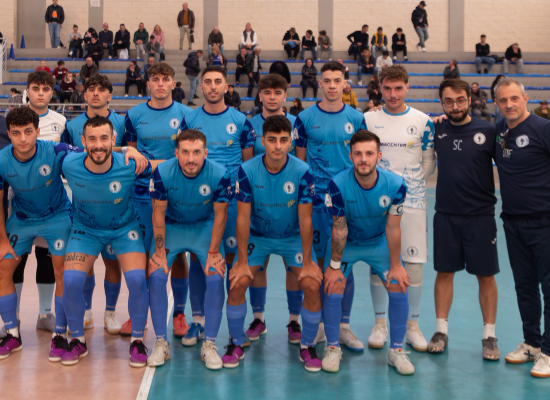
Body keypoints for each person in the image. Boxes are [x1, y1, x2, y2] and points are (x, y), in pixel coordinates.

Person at [225, 115, 322, 371]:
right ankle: (236, 342)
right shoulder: (247, 170)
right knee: (236, 282)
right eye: (271, 140)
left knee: (312, 285)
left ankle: (308, 344)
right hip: (259, 236)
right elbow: (243, 217)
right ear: (262, 141)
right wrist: (241, 261)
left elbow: (306, 219)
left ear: (291, 142)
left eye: (283, 140)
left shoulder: (303, 171)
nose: (277, 146)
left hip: (292, 238)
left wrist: (308, 261)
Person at [60, 116, 151, 367]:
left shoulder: (131, 164)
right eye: (92, 139)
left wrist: (129, 150)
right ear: (83, 141)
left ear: (113, 139)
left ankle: (137, 341)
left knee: (137, 279)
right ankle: (77, 340)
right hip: (86, 230)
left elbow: (160, 179)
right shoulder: (68, 163)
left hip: (124, 229)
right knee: (71, 281)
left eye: (104, 138)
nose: (98, 145)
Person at [323, 130, 413, 374]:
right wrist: (334, 267)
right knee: (332, 285)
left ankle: (396, 351)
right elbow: (339, 228)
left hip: (377, 242)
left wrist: (396, 266)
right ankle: (332, 347)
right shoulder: (337, 185)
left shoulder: (396, 185)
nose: (364, 159)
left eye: (370, 154)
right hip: (348, 243)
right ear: (350, 156)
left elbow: (393, 228)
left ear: (379, 156)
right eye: (358, 154)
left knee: (398, 284)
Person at [179, 66, 256, 352]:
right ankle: (198, 321)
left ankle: (235, 327)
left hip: (233, 204)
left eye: (218, 82)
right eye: (207, 82)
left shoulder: (241, 121)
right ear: (200, 87)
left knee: (234, 262)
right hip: (199, 204)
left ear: (226, 86)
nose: (212, 86)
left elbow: (247, 165)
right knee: (200, 259)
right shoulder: (189, 119)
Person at [295, 61, 367, 353]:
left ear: (345, 83)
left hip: (346, 202)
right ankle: (322, 326)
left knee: (343, 266)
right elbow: (300, 164)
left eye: (338, 80)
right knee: (315, 264)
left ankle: (343, 326)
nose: (333, 86)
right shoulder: (304, 118)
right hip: (315, 204)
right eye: (327, 81)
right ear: (320, 83)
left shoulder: (357, 118)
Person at [363, 65, 435, 354]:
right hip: (376, 206)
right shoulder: (368, 119)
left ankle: (412, 326)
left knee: (413, 265)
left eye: (398, 88)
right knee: (378, 263)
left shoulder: (423, 121)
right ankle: (380, 324)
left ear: (407, 87)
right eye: (387, 88)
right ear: (380, 88)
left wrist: (411, 189)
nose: (392, 94)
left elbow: (428, 162)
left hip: (413, 205)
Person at [428, 79, 500, 361]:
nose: (455, 106)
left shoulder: (488, 131)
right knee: (444, 273)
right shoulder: (436, 128)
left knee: (486, 276)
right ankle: (441, 331)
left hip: (480, 217)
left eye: (460, 100)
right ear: (442, 103)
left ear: (470, 100)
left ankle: (489, 336)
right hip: (446, 214)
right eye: (449, 101)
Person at [148, 129, 231, 369]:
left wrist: (213, 253)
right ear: (176, 153)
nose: (191, 159)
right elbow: (158, 213)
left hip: (203, 227)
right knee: (156, 274)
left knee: (215, 275)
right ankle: (161, 343)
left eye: (196, 152)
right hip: (172, 227)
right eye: (185, 152)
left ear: (206, 153)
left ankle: (210, 344)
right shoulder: (162, 173)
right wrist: (160, 252)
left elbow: (220, 215)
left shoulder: (220, 174)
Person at [0, 107, 76, 360]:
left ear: (37, 131)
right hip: (22, 219)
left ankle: (59, 333)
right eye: (16, 133)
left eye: (28, 132)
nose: (22, 139)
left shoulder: (55, 150)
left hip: (57, 217)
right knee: (3, 269)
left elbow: (95, 154)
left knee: (62, 273)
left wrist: (127, 150)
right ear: (8, 134)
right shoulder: (1, 160)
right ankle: (12, 333)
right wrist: (2, 240)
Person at [124, 63, 194, 338]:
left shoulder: (187, 115)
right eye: (156, 79)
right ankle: (137, 313)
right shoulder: (134, 115)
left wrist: (155, 163)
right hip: (142, 193)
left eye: (166, 79)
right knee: (141, 255)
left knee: (176, 254)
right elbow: (131, 154)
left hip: (177, 192)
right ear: (148, 84)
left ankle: (179, 313)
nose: (161, 84)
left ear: (174, 83)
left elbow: (188, 156)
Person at [491, 78, 550, 378]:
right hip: (513, 223)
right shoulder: (499, 131)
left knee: (549, 288)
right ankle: (532, 343)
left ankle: (549, 352)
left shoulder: (543, 129)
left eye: (514, 98)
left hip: (545, 223)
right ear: (496, 104)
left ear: (526, 98)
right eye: (503, 100)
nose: (509, 104)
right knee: (524, 287)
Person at [0, 71, 64, 338]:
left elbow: (75, 158)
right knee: (15, 260)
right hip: (20, 206)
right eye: (35, 88)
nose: (23, 138)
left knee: (47, 259)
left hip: (52, 205)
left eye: (45, 89)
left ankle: (45, 314)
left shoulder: (61, 122)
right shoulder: (11, 120)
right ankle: (12, 318)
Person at [246, 76, 302, 341]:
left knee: (294, 267)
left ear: (285, 96)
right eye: (266, 92)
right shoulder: (249, 125)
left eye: (277, 92)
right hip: (260, 201)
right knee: (258, 266)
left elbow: (300, 162)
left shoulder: (297, 124)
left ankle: (294, 321)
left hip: (289, 201)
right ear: (260, 96)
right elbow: (247, 164)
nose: (271, 97)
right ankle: (259, 318)